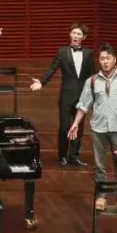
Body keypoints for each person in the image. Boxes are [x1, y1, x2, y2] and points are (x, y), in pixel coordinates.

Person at [69, 43, 117, 212]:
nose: (105, 61)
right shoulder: (92, 81)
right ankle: (101, 196)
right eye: (102, 58)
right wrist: (75, 124)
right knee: (99, 165)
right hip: (99, 128)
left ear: (115, 59)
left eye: (108, 58)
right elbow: (83, 106)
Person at [29, 23, 94, 167]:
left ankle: (74, 156)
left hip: (82, 96)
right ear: (70, 34)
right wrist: (41, 82)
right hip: (66, 96)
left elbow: (92, 76)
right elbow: (52, 68)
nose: (75, 36)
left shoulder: (88, 53)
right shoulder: (62, 52)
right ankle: (62, 156)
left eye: (79, 34)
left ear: (84, 37)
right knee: (64, 127)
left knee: (79, 128)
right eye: (73, 33)